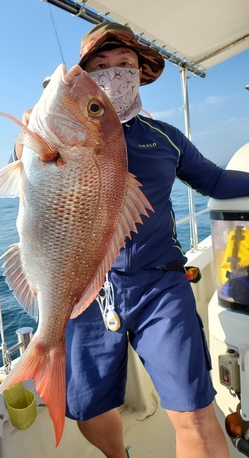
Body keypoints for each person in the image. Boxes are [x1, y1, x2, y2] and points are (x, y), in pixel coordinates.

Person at [14, 23, 249, 458]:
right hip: (87, 290)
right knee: (88, 412)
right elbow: (31, 173)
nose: (112, 73)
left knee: (196, 412)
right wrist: (28, 138)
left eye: (124, 64)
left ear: (141, 73)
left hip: (159, 285)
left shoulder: (164, 138)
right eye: (99, 66)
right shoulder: (53, 134)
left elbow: (214, 179)